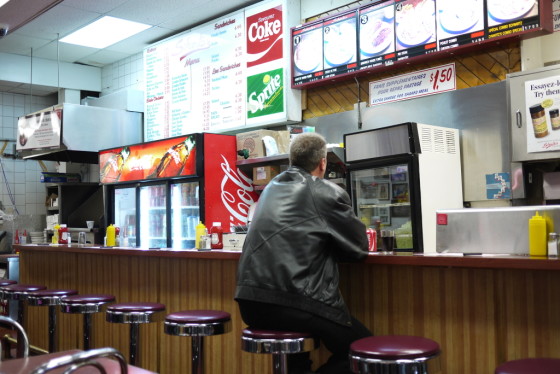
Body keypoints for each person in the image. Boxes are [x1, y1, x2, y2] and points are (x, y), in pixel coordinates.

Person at [235, 132, 372, 374]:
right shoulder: (325, 191)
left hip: (250, 302)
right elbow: (358, 249)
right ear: (323, 162)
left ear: (291, 161)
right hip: (293, 300)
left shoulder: (269, 190)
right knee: (365, 352)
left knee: (297, 358)